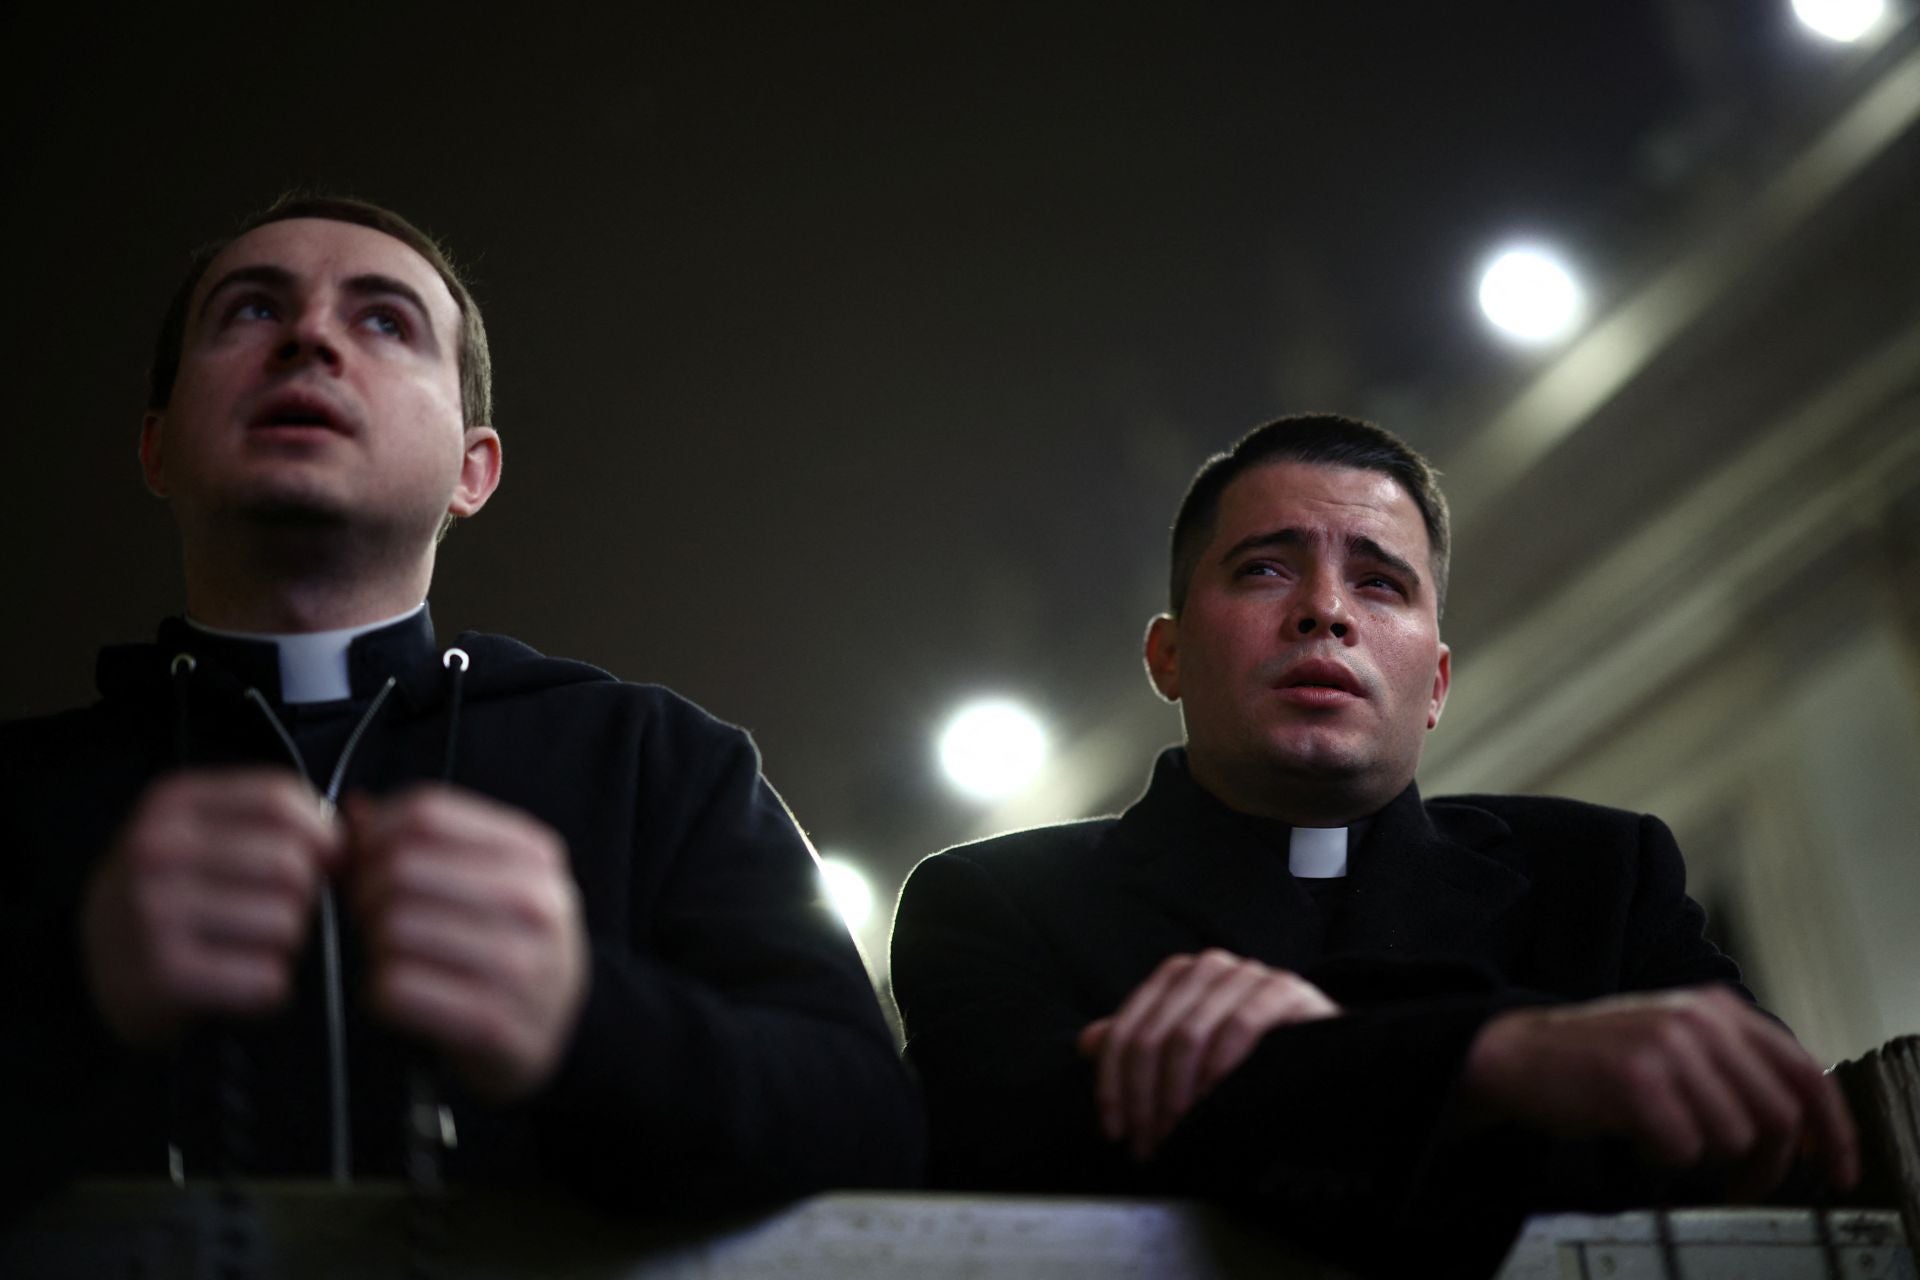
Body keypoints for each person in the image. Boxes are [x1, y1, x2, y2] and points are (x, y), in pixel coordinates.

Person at [1, 195, 922, 1209]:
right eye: (252, 311)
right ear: (157, 446)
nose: (310, 338)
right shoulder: (21, 789)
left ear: (472, 471)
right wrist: (73, 998)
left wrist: (585, 1017)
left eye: (384, 320)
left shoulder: (655, 761)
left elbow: (874, 1133)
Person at [889, 414, 1856, 1272]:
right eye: (1265, 569)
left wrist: (1303, 1062)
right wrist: (1493, 1060)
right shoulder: (997, 902)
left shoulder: (1601, 874)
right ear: (1169, 655)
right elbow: (1012, 1169)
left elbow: (1783, 1151)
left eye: (1381, 582)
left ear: (1436, 684)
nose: (1327, 610)